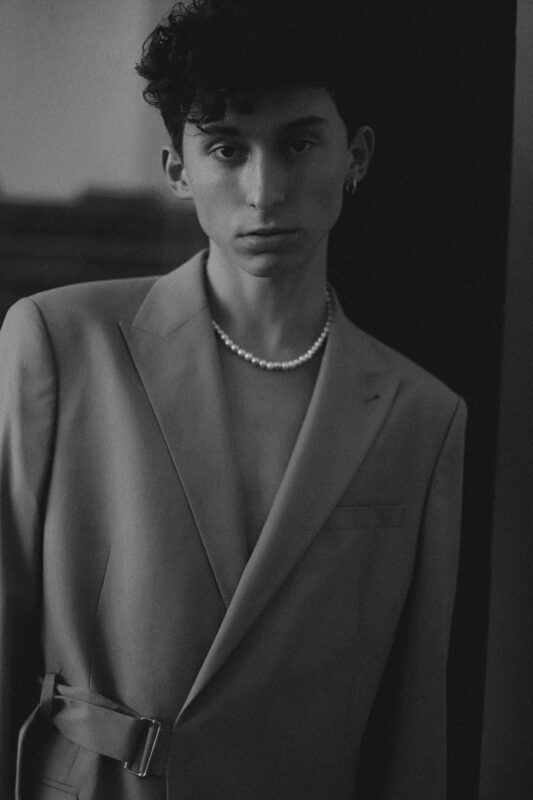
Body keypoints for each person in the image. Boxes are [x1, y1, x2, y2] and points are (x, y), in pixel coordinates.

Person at [0, 1, 467, 798]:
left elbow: (412, 724)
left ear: (354, 156)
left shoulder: (421, 416)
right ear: (177, 170)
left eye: (298, 144)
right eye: (226, 148)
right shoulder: (61, 342)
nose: (263, 190)